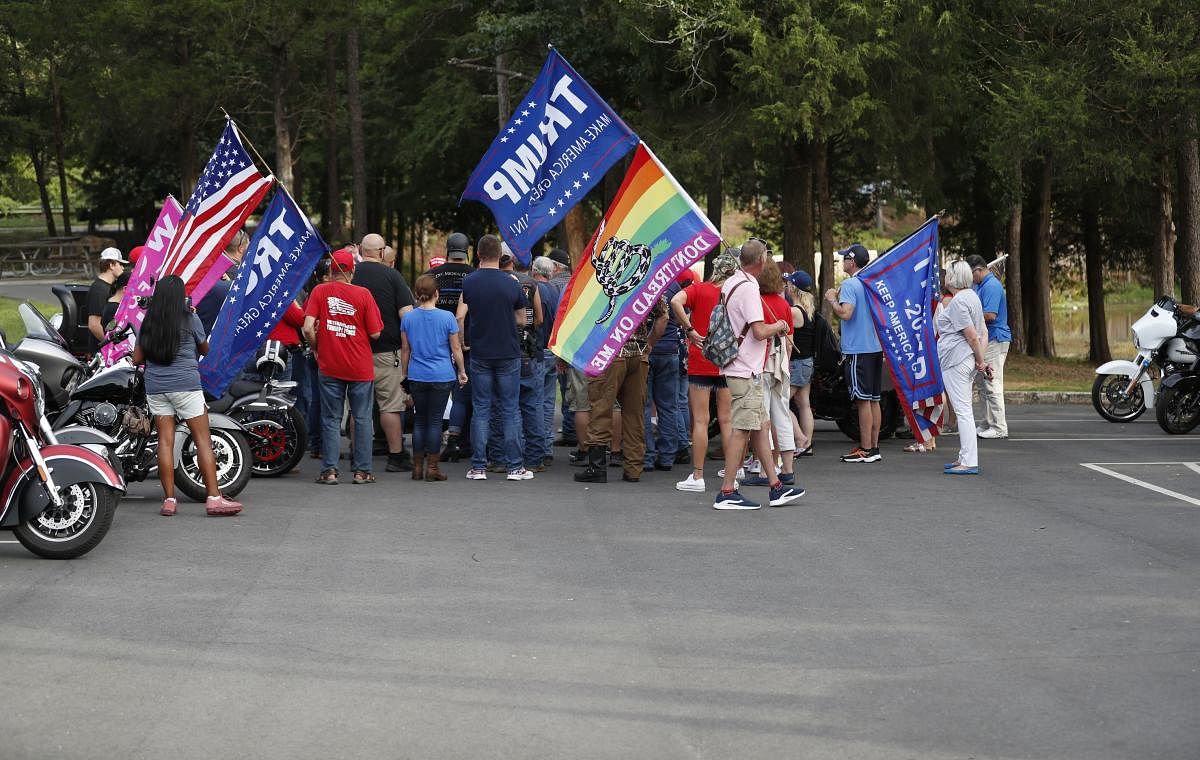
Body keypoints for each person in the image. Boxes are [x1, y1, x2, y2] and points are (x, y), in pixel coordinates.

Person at [131, 275, 242, 517]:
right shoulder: (190, 318)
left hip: (157, 388)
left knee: (165, 442)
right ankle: (214, 498)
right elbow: (205, 349)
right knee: (202, 439)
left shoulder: (148, 321)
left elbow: (137, 359)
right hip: (187, 387)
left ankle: (169, 500)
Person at [713, 239, 805, 509]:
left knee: (759, 428)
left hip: (741, 366)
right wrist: (778, 325)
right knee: (743, 430)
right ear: (761, 261)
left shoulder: (732, 281)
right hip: (746, 368)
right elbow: (758, 331)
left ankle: (776, 486)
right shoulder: (749, 288)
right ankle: (727, 492)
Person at [303, 248, 384, 486]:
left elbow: (308, 327)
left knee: (330, 418)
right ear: (353, 270)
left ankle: (329, 471)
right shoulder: (364, 294)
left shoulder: (320, 291)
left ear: (330, 269)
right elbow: (376, 333)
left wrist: (317, 347)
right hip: (360, 366)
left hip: (330, 365)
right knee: (362, 418)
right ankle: (362, 471)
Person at [456, 234, 532, 481]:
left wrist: (463, 341)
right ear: (500, 256)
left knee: (481, 409)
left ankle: (478, 466)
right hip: (508, 351)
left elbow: (460, 315)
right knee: (510, 409)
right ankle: (514, 467)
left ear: (478, 254)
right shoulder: (511, 282)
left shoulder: (469, 282)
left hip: (480, 352)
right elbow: (522, 319)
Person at [573, 296, 668, 484]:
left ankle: (597, 467)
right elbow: (663, 316)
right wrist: (649, 342)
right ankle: (633, 468)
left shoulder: (602, 284)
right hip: (638, 355)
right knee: (635, 413)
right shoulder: (645, 282)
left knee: (601, 409)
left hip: (609, 353)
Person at [671, 250, 738, 492]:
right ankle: (733, 473)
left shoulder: (699, 289)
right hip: (729, 361)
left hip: (701, 357)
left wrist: (689, 328)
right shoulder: (736, 292)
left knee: (700, 420)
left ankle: (697, 476)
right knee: (728, 419)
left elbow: (675, 301)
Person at [352, 232, 416, 472]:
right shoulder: (393, 276)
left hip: (355, 350)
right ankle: (396, 455)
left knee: (359, 406)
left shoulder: (351, 275)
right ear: (381, 253)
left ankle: (359, 455)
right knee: (390, 404)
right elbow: (407, 317)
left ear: (359, 249)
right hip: (387, 351)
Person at [401, 274, 468, 482]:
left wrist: (404, 373)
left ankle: (417, 467)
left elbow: (405, 349)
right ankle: (433, 468)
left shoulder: (408, 318)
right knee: (435, 421)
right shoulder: (447, 318)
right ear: (436, 294)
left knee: (420, 420)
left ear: (416, 294)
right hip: (441, 374)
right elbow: (455, 347)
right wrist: (462, 370)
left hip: (417, 374)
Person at [824, 243, 883, 463]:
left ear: (852, 261)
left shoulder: (850, 284)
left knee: (862, 401)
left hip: (858, 349)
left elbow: (846, 314)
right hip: (874, 347)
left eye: (844, 259)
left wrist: (831, 299)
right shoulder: (870, 282)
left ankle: (865, 448)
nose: (841, 262)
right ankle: (873, 447)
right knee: (874, 399)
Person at [742, 258, 796, 487]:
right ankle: (788, 468)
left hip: (761, 364)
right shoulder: (784, 304)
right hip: (781, 365)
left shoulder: (755, 301)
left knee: (762, 418)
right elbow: (790, 341)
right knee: (783, 415)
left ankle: (767, 470)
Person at [938, 260, 989, 475]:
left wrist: (981, 361)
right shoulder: (972, 297)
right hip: (964, 359)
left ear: (953, 277)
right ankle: (964, 456)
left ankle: (968, 461)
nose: (945, 277)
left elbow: (972, 335)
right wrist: (980, 360)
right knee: (964, 408)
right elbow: (982, 332)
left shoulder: (959, 302)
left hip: (957, 360)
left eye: (948, 273)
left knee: (962, 410)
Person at [428, 232, 475, 461]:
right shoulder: (474, 276)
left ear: (448, 250)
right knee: (462, 395)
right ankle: (462, 441)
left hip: (435, 343)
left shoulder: (432, 275)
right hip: (464, 343)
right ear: (467, 251)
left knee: (434, 396)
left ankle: (432, 443)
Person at [643, 275, 684, 473]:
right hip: (670, 350)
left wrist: (649, 344)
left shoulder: (644, 284)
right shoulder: (674, 286)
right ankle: (667, 455)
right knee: (669, 406)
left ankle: (647, 455)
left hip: (648, 350)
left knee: (644, 404)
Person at [967, 254, 1011, 439]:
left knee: (992, 382)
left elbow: (990, 315)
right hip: (988, 339)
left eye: (971, 274)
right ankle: (987, 422)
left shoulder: (991, 286)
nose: (970, 278)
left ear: (978, 270)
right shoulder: (981, 285)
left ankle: (999, 427)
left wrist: (967, 319)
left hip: (995, 338)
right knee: (983, 384)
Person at [531, 255, 561, 466]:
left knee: (534, 401)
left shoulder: (535, 290)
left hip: (538, 350)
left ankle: (536, 446)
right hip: (552, 348)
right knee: (548, 402)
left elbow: (535, 321)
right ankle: (547, 445)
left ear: (535, 271)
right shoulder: (556, 290)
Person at [784, 270, 816, 458]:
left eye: (788, 284)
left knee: (779, 404)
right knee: (804, 403)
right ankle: (807, 444)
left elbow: (787, 338)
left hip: (796, 363)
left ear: (793, 289)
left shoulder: (794, 311)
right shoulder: (809, 309)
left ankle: (800, 438)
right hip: (807, 362)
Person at [196, 231, 250, 335]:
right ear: (241, 249)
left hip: (199, 331)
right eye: (249, 245)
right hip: (220, 335)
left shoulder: (205, 267)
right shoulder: (241, 276)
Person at [87, 247, 127, 353]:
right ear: (111, 265)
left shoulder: (107, 287)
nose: (123, 268)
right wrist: (110, 344)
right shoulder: (99, 289)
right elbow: (94, 324)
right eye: (120, 264)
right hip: (101, 351)